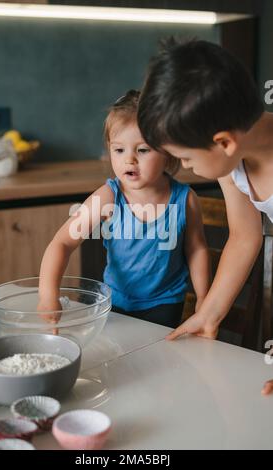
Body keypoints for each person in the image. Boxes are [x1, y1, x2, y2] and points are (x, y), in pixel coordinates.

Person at [138, 37, 273, 394]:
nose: (184, 167)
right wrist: (209, 313)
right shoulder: (234, 160)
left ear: (223, 141)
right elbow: (245, 236)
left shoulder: (231, 150)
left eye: (184, 157)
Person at [38, 90, 210, 330]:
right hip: (116, 302)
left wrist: (204, 298)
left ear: (168, 152)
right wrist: (48, 294)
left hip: (166, 303)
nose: (129, 160)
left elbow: (196, 249)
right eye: (119, 150)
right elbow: (62, 243)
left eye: (142, 150)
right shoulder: (108, 196)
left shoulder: (185, 199)